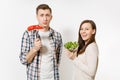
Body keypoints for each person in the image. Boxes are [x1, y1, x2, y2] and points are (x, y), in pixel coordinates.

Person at [19, 4, 63, 80]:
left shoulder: (57, 36)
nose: (45, 18)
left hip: (53, 77)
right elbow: (23, 60)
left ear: (51, 17)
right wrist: (34, 49)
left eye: (47, 15)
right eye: (41, 15)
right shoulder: (28, 34)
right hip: (35, 77)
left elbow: (57, 59)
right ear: (37, 17)